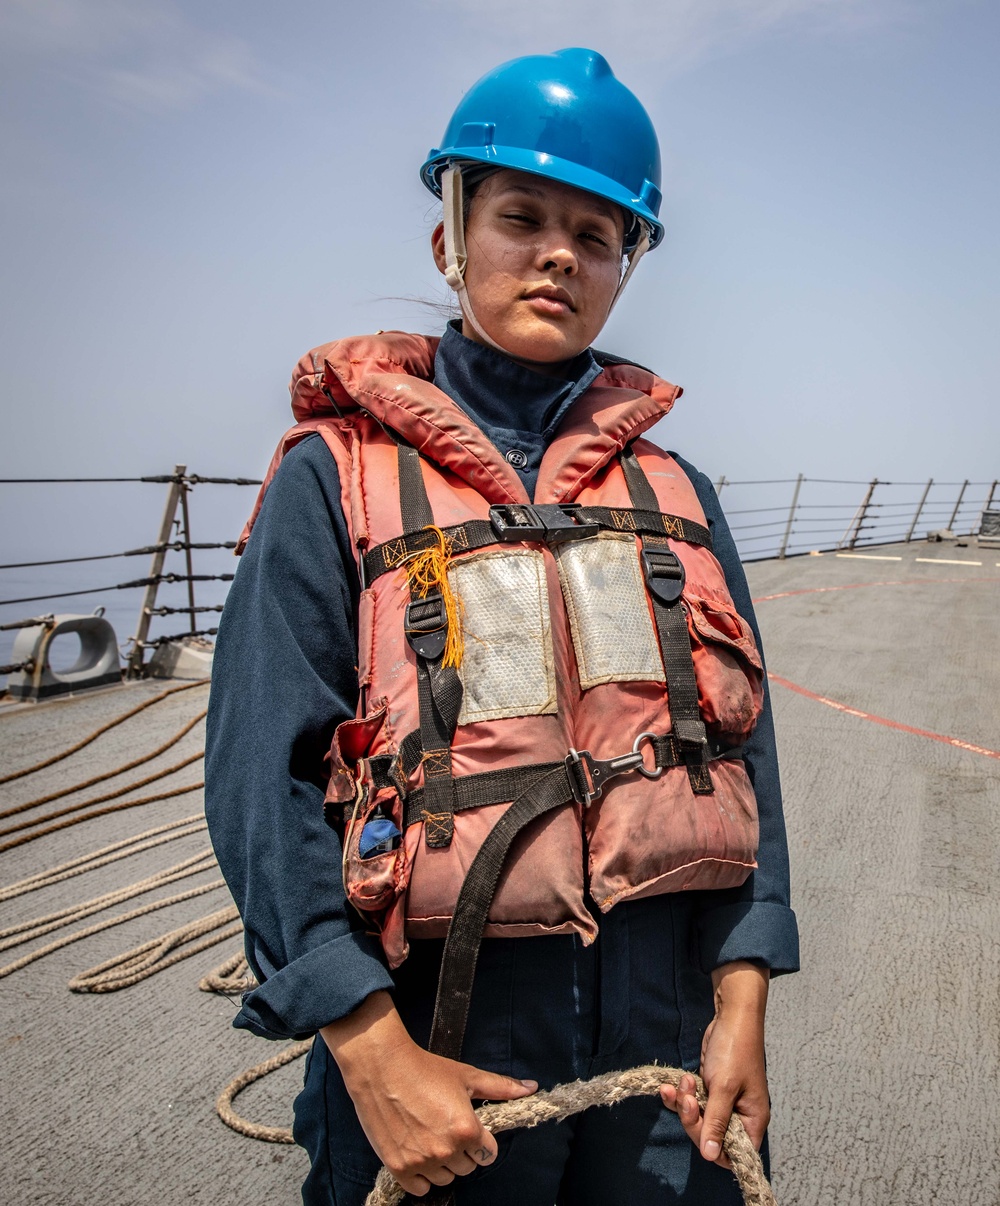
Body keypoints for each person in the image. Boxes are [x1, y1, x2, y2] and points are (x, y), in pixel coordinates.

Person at [205, 47, 799, 1206]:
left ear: (626, 266)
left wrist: (743, 1001)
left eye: (599, 233)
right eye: (521, 216)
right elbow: (258, 779)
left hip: (669, 1042)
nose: (559, 254)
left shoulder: (675, 495)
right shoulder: (333, 483)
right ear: (449, 238)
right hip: (442, 1034)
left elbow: (741, 758)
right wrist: (370, 1058)